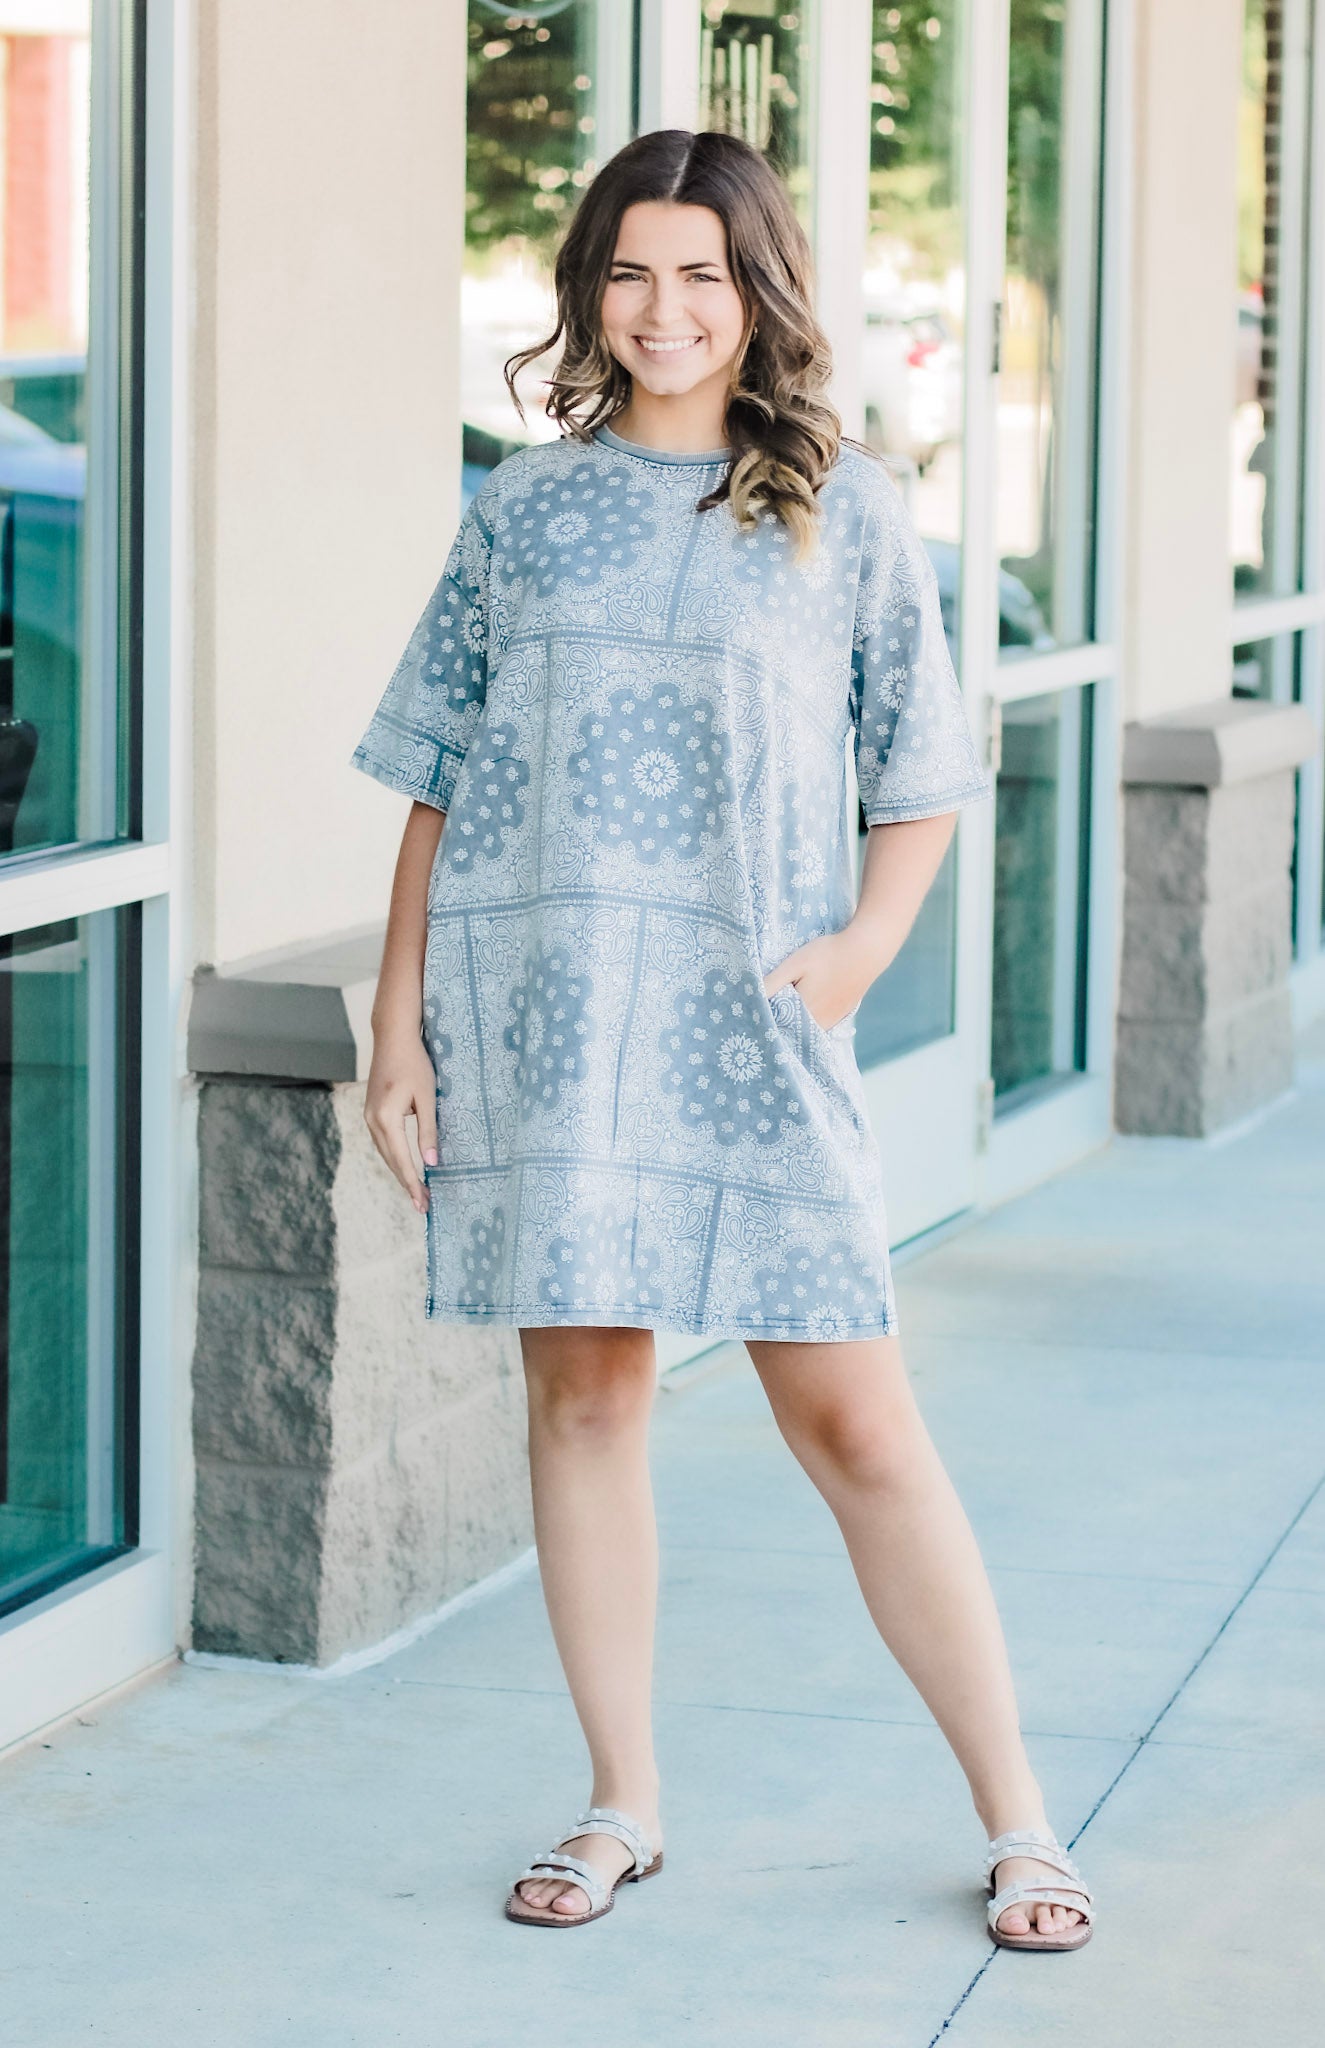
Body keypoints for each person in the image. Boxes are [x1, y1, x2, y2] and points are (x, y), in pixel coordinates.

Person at [348, 127, 1094, 1953]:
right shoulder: (521, 507)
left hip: (751, 1025)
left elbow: (921, 772)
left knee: (857, 1424)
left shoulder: (845, 508)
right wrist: (398, 1022)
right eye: (628, 269)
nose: (661, 307)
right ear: (586, 290)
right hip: (544, 1017)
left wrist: (855, 960)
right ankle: (621, 1801)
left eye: (699, 271)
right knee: (586, 1399)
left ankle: (1021, 1820)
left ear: (756, 292)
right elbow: (437, 772)